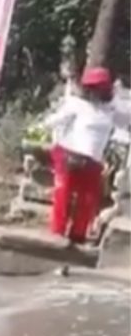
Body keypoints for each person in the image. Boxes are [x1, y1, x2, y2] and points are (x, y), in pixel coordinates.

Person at [42, 66, 131, 244]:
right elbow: (51, 122)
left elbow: (127, 119)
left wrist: (115, 98)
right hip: (70, 154)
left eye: (101, 88)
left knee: (88, 200)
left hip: (93, 161)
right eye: (94, 87)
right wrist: (51, 132)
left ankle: (78, 236)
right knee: (63, 195)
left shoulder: (111, 111)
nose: (97, 91)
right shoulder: (76, 105)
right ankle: (57, 235)